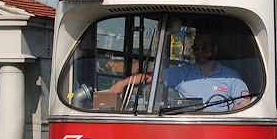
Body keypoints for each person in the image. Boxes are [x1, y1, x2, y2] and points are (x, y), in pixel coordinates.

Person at [108, 35, 251, 110]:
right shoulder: (183, 73)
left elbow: (246, 104)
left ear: (215, 48)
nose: (200, 51)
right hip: (186, 128)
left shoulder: (231, 77)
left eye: (205, 46)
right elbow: (151, 77)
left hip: (219, 132)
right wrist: (122, 84)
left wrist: (234, 109)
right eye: (196, 47)